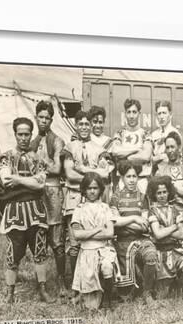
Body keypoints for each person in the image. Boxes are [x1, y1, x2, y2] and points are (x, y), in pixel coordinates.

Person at [0, 117, 55, 304]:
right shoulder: (6, 157)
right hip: (15, 211)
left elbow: (40, 184)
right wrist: (29, 180)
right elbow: (5, 180)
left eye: (26, 134)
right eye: (20, 134)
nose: (23, 138)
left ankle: (42, 290)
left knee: (39, 250)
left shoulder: (38, 159)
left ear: (31, 135)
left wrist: (18, 180)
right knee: (13, 252)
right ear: (15, 134)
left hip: (35, 210)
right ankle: (10, 293)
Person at [62, 110, 114, 288]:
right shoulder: (70, 147)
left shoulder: (99, 150)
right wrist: (94, 175)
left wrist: (83, 170)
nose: (84, 127)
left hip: (96, 198)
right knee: (75, 242)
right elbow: (69, 174)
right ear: (76, 126)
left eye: (87, 124)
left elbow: (105, 174)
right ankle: (75, 285)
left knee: (98, 238)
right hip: (75, 197)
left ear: (91, 126)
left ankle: (98, 281)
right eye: (81, 124)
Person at [29, 100, 67, 297]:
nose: (43, 121)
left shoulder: (57, 141)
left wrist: (38, 159)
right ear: (36, 118)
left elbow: (56, 169)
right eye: (40, 117)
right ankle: (41, 283)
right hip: (37, 193)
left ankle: (61, 281)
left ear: (51, 120)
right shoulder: (32, 141)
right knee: (39, 237)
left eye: (47, 118)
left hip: (53, 193)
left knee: (57, 239)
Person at [109, 160, 159, 305]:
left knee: (151, 255)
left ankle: (147, 292)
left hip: (140, 239)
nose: (131, 180)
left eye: (134, 176)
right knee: (125, 293)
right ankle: (132, 288)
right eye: (128, 176)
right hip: (123, 241)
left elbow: (144, 226)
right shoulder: (116, 197)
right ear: (122, 178)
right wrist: (134, 218)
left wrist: (124, 222)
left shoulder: (143, 197)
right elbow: (114, 223)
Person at [70, 172, 118, 310]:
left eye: (95, 188)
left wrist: (88, 233)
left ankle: (108, 298)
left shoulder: (105, 208)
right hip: (86, 252)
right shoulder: (79, 209)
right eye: (89, 188)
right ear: (84, 190)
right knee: (91, 306)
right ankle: (90, 296)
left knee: (107, 266)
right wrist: (98, 229)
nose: (92, 191)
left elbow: (109, 232)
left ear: (100, 190)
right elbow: (77, 235)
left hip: (103, 249)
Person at [146, 176, 183, 301]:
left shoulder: (175, 210)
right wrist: (174, 227)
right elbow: (158, 235)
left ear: (169, 192)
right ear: (154, 194)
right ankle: (162, 288)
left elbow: (181, 234)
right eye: (159, 193)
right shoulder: (152, 212)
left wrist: (165, 229)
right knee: (163, 295)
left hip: (175, 250)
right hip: (160, 252)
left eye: (164, 192)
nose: (162, 195)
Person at [109, 98, 153, 194]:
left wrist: (123, 158)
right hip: (123, 180)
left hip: (141, 181)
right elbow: (115, 151)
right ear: (125, 114)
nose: (131, 116)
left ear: (139, 114)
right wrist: (137, 149)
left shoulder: (146, 133)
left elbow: (145, 156)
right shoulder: (119, 133)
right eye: (129, 112)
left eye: (134, 112)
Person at [156, 132, 183, 211]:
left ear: (179, 147)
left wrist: (171, 187)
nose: (170, 150)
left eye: (172, 147)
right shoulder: (160, 171)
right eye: (167, 147)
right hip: (166, 212)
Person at [150, 101, 182, 166]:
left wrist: (155, 158)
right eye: (159, 113)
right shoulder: (154, 134)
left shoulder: (175, 133)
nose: (161, 116)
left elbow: (171, 157)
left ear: (170, 115)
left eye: (164, 113)